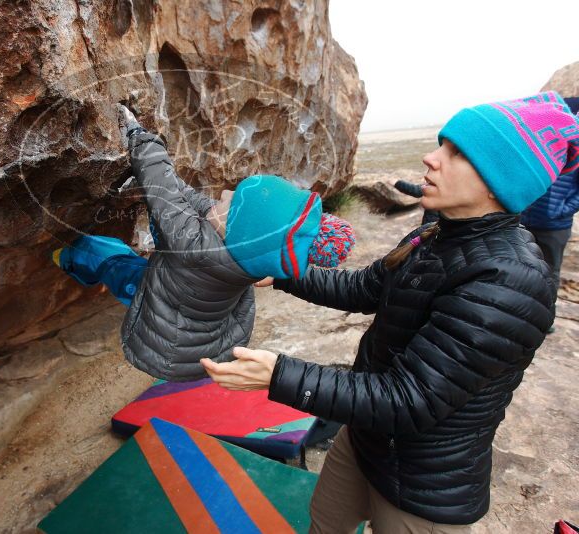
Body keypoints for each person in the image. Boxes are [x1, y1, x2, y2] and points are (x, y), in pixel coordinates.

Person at [202, 91, 579, 533]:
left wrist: (278, 375)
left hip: (423, 487)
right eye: (442, 144)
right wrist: (284, 274)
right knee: (324, 524)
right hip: (365, 439)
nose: (431, 158)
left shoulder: (510, 280)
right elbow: (366, 286)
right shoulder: (438, 234)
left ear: (501, 179)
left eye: (457, 153)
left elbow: (409, 399)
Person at [52, 105, 355, 382]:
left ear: (233, 227)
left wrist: (137, 134)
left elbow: (162, 187)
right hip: (206, 335)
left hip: (166, 345)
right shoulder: (242, 248)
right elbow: (189, 200)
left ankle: (66, 256)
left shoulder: (195, 244)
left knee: (110, 258)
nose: (223, 193)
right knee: (174, 238)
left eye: (231, 199)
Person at [521, 96, 579, 330]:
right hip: (526, 218)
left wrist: (562, 210)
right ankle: (524, 313)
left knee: (550, 272)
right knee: (524, 269)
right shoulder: (542, 142)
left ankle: (546, 318)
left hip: (556, 225)